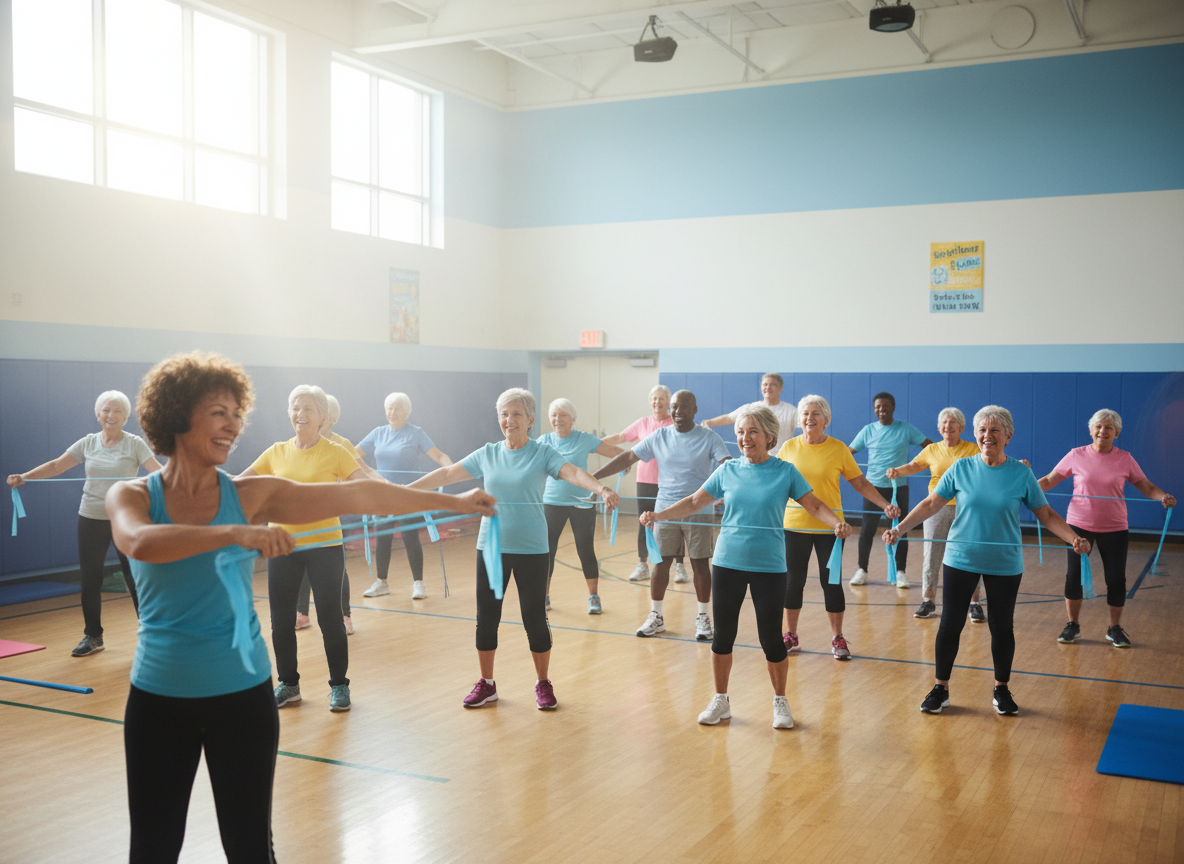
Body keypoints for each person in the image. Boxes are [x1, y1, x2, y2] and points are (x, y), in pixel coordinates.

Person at [105, 351, 494, 862]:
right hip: (159, 699)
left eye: (236, 413)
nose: (234, 425)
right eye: (219, 412)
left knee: (250, 848)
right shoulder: (130, 494)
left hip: (242, 697)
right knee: (152, 848)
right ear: (177, 414)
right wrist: (237, 533)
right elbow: (141, 543)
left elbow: (361, 498)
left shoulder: (252, 493)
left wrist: (457, 503)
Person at [408, 388, 619, 710]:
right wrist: (399, 493)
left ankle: (543, 683)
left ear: (531, 420)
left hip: (532, 548)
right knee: (486, 617)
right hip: (491, 547)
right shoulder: (489, 453)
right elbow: (448, 474)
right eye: (505, 414)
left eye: (517, 414)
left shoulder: (542, 453)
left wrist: (601, 488)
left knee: (533, 617)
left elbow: (573, 473)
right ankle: (487, 683)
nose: (510, 420)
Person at [643, 406, 851, 728]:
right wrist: (659, 515)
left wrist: (836, 523)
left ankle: (780, 701)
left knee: (771, 639)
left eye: (752, 432)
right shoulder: (728, 470)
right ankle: (720, 700)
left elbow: (813, 505)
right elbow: (695, 502)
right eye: (740, 432)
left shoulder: (785, 471)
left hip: (769, 565)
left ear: (769, 436)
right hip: (728, 562)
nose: (744, 438)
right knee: (723, 636)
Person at [884, 405, 1090, 716]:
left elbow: (1045, 513)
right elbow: (931, 503)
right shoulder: (961, 468)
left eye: (994, 430)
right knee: (950, 624)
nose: (987, 435)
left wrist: (1072, 537)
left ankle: (1001, 690)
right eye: (982, 430)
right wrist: (900, 529)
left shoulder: (1021, 474)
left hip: (1004, 562)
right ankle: (941, 688)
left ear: (1008, 435)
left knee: (1001, 627)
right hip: (960, 557)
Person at [237, 385, 366, 712]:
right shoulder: (276, 452)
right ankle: (288, 683)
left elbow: (363, 484)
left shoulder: (335, 451)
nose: (300, 414)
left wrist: (395, 496)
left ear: (323, 417)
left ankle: (339, 685)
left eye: (308, 409)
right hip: (282, 546)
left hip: (325, 546)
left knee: (330, 618)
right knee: (281, 621)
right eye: (296, 408)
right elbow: (240, 484)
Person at [7, 390, 162, 657]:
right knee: (90, 580)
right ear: (98, 414)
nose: (110, 415)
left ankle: (153, 639)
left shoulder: (135, 444)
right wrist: (25, 477)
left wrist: (178, 481)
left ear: (125, 417)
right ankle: (93, 636)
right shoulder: (89, 443)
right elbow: (56, 466)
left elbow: (157, 471)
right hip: (91, 517)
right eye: (106, 410)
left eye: (116, 411)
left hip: (125, 519)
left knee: (136, 579)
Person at [595, 390, 730, 641]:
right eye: (675, 408)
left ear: (695, 410)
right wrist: (594, 480)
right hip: (664, 511)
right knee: (660, 563)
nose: (678, 412)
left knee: (700, 563)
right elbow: (628, 456)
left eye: (684, 407)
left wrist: (728, 491)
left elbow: (727, 465)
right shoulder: (659, 436)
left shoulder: (709, 438)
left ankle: (702, 617)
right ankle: (656, 616)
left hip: (698, 510)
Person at [1038, 409, 1175, 649]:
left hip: (1115, 527)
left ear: (1117, 433)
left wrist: (1163, 496)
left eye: (1109, 428)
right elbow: (1049, 480)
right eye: (1099, 427)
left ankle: (1114, 628)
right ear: (1091, 430)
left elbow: (1146, 486)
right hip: (1078, 526)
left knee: (1116, 579)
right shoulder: (1076, 455)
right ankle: (1073, 625)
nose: (1103, 431)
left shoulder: (1125, 458)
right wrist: (1024, 489)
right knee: (1074, 578)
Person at [777, 395, 898, 660]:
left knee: (830, 583)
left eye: (816, 414)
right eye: (806, 414)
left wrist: (884, 504)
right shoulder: (787, 448)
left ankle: (838, 637)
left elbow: (861, 484)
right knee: (792, 583)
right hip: (793, 527)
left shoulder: (839, 448)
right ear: (800, 420)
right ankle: (790, 634)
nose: (810, 418)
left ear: (827, 420)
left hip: (831, 529)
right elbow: (774, 483)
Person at [293, 394, 384, 633]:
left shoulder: (341, 444)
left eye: (319, 413)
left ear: (330, 418)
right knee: (302, 564)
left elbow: (365, 471)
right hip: (305, 517)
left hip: (333, 516)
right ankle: (302, 613)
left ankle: (345, 616)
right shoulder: (300, 442)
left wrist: (389, 489)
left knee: (336, 568)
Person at [886, 408, 985, 621]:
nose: (948, 426)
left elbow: (991, 462)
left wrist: (1016, 464)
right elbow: (914, 465)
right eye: (944, 423)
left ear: (961, 427)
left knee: (970, 553)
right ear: (939, 427)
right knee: (932, 554)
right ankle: (928, 600)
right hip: (935, 508)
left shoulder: (972, 449)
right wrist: (898, 471)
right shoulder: (931, 449)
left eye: (953, 423)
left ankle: (974, 602)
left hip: (966, 509)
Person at [356, 392, 453, 600]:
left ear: (406, 412)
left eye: (397, 408)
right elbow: (352, 455)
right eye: (389, 408)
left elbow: (438, 455)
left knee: (410, 536)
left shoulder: (416, 433)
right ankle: (381, 582)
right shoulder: (378, 433)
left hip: (409, 493)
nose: (392, 412)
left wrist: (451, 470)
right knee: (382, 536)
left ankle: (418, 584)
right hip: (383, 493)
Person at [539, 398, 625, 614]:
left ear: (573, 419)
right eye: (554, 415)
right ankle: (544, 596)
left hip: (582, 504)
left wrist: (626, 463)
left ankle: (594, 597)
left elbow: (617, 453)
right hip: (552, 503)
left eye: (563, 415)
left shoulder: (584, 439)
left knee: (585, 549)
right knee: (547, 551)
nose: (558, 419)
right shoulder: (543, 441)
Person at [601, 384, 689, 583]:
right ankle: (642, 565)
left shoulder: (675, 423)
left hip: (670, 483)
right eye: (654, 399)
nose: (657, 402)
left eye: (662, 399)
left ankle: (680, 566)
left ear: (669, 402)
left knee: (674, 523)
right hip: (645, 482)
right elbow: (620, 437)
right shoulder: (642, 423)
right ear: (650, 402)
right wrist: (592, 444)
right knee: (644, 523)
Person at [848, 391, 932, 588]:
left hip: (898, 488)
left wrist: (923, 464)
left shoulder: (905, 429)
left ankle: (900, 572)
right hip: (872, 489)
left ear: (893, 407)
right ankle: (862, 570)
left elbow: (930, 447)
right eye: (877, 407)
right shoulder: (868, 430)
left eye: (885, 406)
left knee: (900, 529)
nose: (881, 410)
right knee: (867, 530)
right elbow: (847, 452)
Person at [700, 372, 797, 451]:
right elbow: (729, 417)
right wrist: (709, 422)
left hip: (781, 461)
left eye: (773, 385)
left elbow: (806, 426)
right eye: (765, 384)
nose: (768, 388)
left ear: (780, 388)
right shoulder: (752, 408)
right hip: (756, 460)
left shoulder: (790, 410)